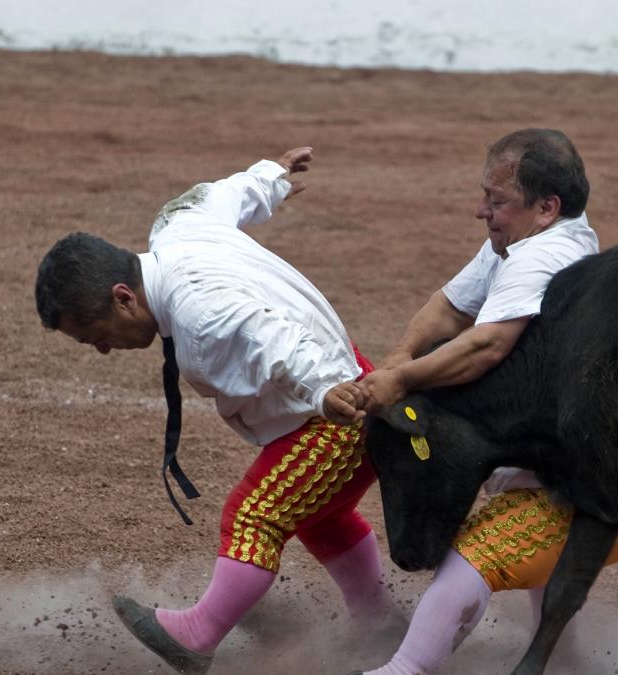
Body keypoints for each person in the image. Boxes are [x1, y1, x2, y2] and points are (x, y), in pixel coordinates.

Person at [35, 147, 399, 675]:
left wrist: (325, 391)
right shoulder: (175, 227)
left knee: (254, 515)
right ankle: (379, 624)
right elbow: (218, 195)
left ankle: (198, 634)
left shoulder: (198, 309)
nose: (103, 350)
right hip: (343, 383)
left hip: (334, 410)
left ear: (122, 298)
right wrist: (270, 176)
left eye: (95, 337)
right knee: (321, 517)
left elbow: (276, 339)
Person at [342, 128, 618, 675]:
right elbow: (451, 307)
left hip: (603, 487)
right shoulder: (520, 242)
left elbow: (485, 344)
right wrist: (399, 358)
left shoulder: (544, 257)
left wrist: (401, 381)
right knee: (544, 569)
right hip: (587, 466)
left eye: (497, 201)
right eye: (486, 195)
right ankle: (568, 665)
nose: (482, 211)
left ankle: (402, 671)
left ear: (547, 207)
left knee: (472, 561)